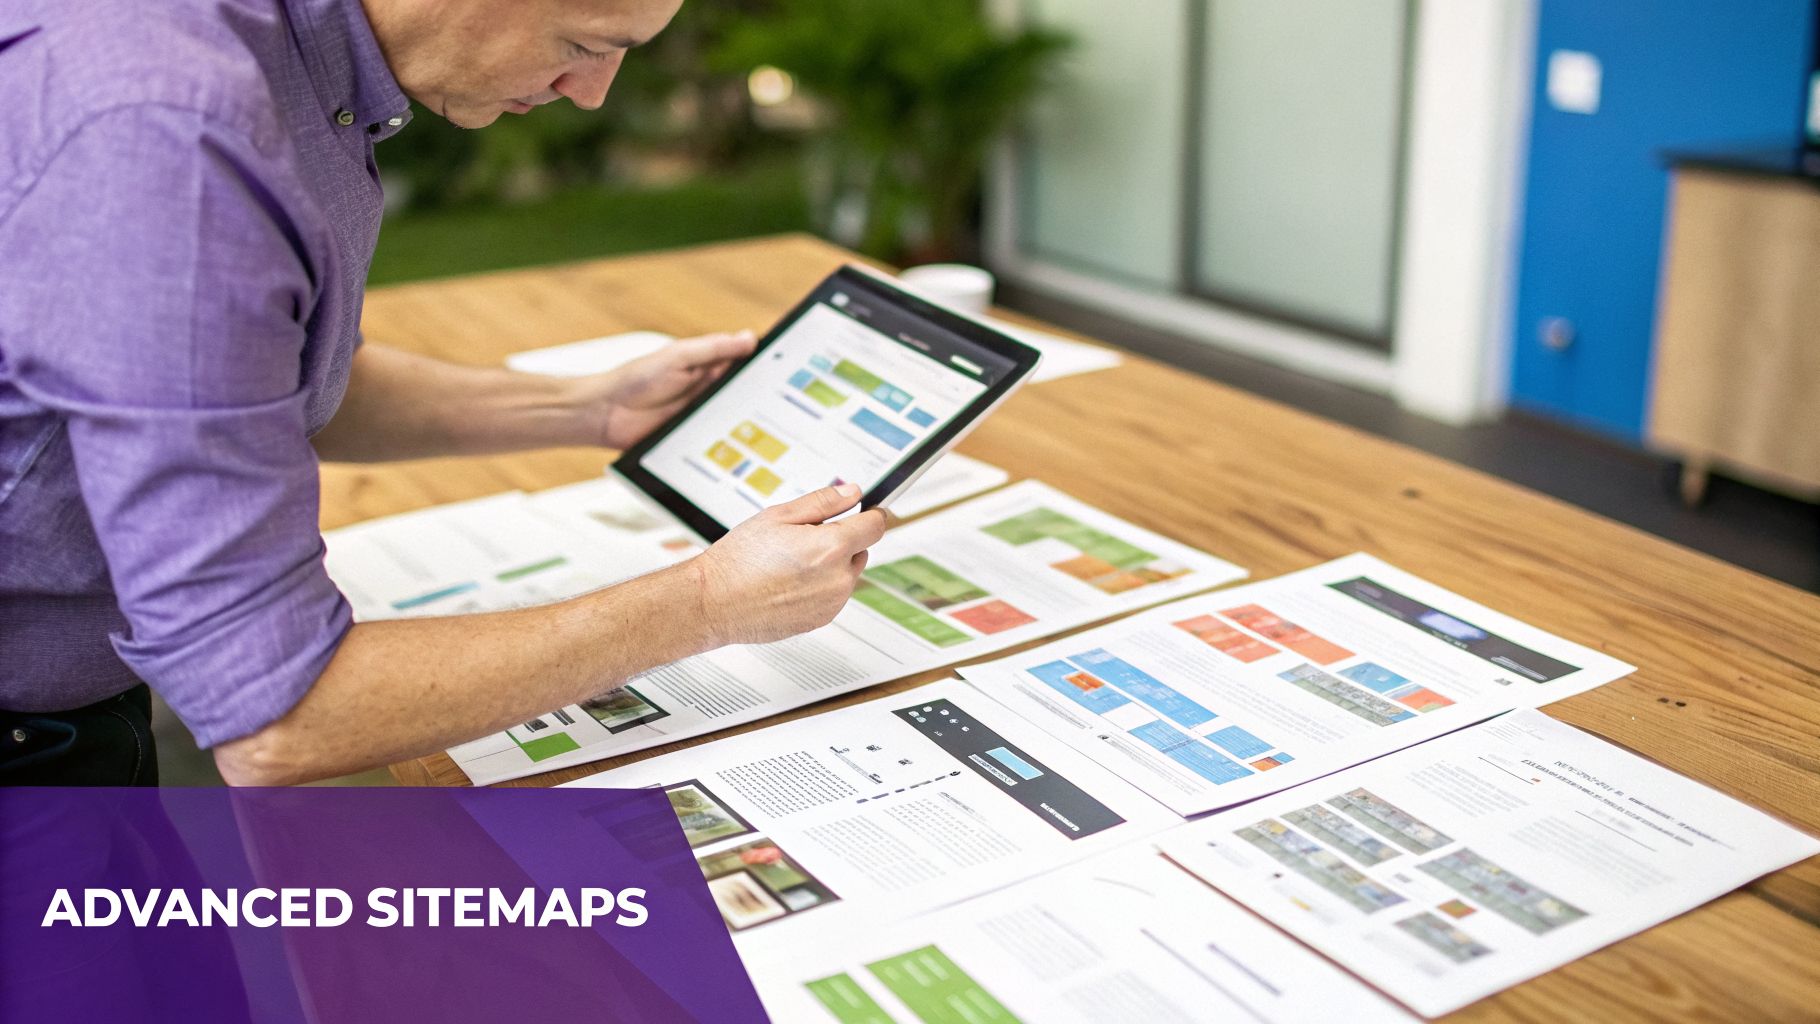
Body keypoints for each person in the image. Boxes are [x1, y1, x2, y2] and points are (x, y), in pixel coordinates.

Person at [0, 0, 890, 786]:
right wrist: (706, 604)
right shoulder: (175, 137)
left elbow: (258, 371)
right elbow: (279, 717)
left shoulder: (278, 59)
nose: (592, 93)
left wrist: (587, 407)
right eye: (586, 43)